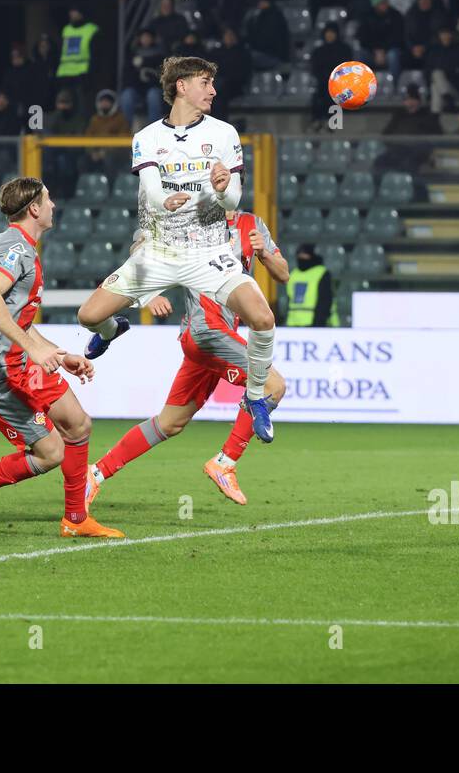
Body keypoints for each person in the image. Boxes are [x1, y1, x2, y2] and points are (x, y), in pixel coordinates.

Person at [75, 56, 281, 443]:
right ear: (182, 86)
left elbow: (234, 201)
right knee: (88, 315)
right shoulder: (148, 136)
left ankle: (255, 396)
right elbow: (152, 191)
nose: (213, 90)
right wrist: (165, 201)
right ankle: (113, 328)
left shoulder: (225, 133)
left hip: (207, 250)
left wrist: (223, 189)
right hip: (158, 251)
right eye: (205, 82)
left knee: (263, 318)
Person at [0, 177, 124, 540]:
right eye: (49, 198)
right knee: (50, 452)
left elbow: (16, 316)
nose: (54, 204)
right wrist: (33, 348)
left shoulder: (19, 246)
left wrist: (57, 352)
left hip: (18, 363)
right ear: (35, 209)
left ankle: (75, 519)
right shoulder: (14, 249)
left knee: (78, 424)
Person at [87, 209, 290, 508]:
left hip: (215, 336)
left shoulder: (252, 224)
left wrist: (265, 254)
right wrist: (148, 296)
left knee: (169, 422)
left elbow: (283, 273)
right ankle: (225, 463)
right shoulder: (188, 218)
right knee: (273, 385)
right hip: (207, 332)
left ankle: (94, 474)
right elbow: (140, 248)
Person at [285, 242, 337, 326]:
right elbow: (289, 300)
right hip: (293, 325)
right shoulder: (293, 274)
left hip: (315, 325)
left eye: (305, 254)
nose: (301, 257)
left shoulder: (321, 273)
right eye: (299, 255)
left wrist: (318, 324)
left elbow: (325, 301)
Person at [56, 6, 99, 109]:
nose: (72, 14)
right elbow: (61, 51)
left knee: (82, 106)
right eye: (71, 11)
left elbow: (96, 54)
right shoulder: (66, 29)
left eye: (75, 11)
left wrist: (91, 73)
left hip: (82, 74)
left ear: (81, 13)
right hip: (65, 73)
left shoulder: (91, 29)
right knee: (64, 105)